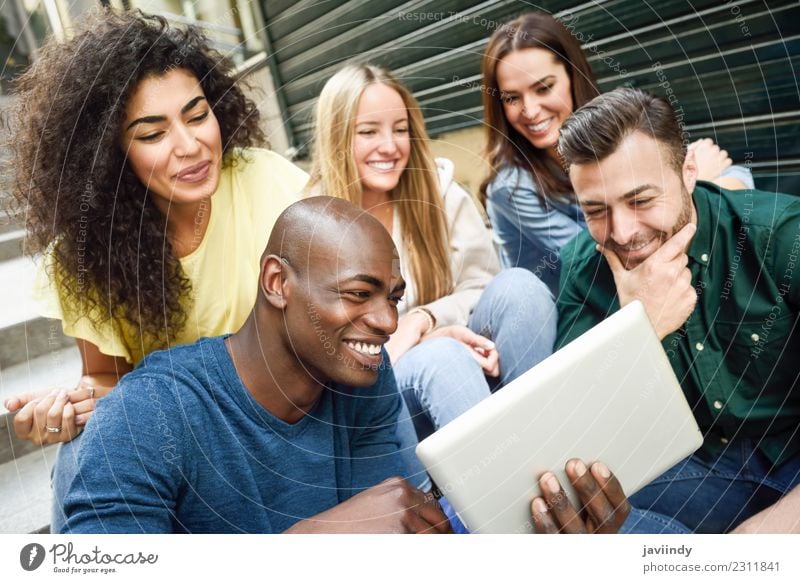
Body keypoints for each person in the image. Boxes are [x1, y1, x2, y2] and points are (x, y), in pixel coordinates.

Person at [61, 196, 630, 534]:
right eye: (359, 294)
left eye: (393, 296)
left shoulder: (366, 380)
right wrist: (316, 541)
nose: (386, 321)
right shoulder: (149, 414)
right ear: (278, 283)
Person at [1, 10, 307, 531]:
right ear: (110, 154)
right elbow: (106, 378)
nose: (189, 146)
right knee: (83, 455)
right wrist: (71, 408)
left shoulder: (269, 185)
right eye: (152, 133)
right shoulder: (83, 257)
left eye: (196, 114)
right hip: (188, 443)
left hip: (289, 417)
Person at [556, 86, 800, 533]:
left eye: (641, 200)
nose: (623, 232)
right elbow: (572, 429)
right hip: (701, 471)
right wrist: (638, 325)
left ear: (689, 171)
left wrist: (773, 529)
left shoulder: (779, 234)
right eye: (596, 209)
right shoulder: (583, 268)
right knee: (571, 520)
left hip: (794, 453)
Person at [306, 64, 556, 442]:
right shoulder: (312, 227)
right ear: (337, 138)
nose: (390, 146)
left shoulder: (440, 194)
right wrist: (422, 344)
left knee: (521, 288)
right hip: (378, 396)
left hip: (463, 371)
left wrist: (425, 319)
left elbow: (480, 285)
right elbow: (325, 358)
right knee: (442, 360)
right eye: (369, 131)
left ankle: (548, 448)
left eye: (400, 129)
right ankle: (506, 483)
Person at [479, 11, 754, 296]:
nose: (531, 110)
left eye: (544, 87)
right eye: (512, 97)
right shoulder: (509, 189)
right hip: (579, 316)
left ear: (573, 76)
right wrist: (696, 192)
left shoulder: (617, 129)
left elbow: (739, 177)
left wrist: (700, 188)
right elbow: (610, 258)